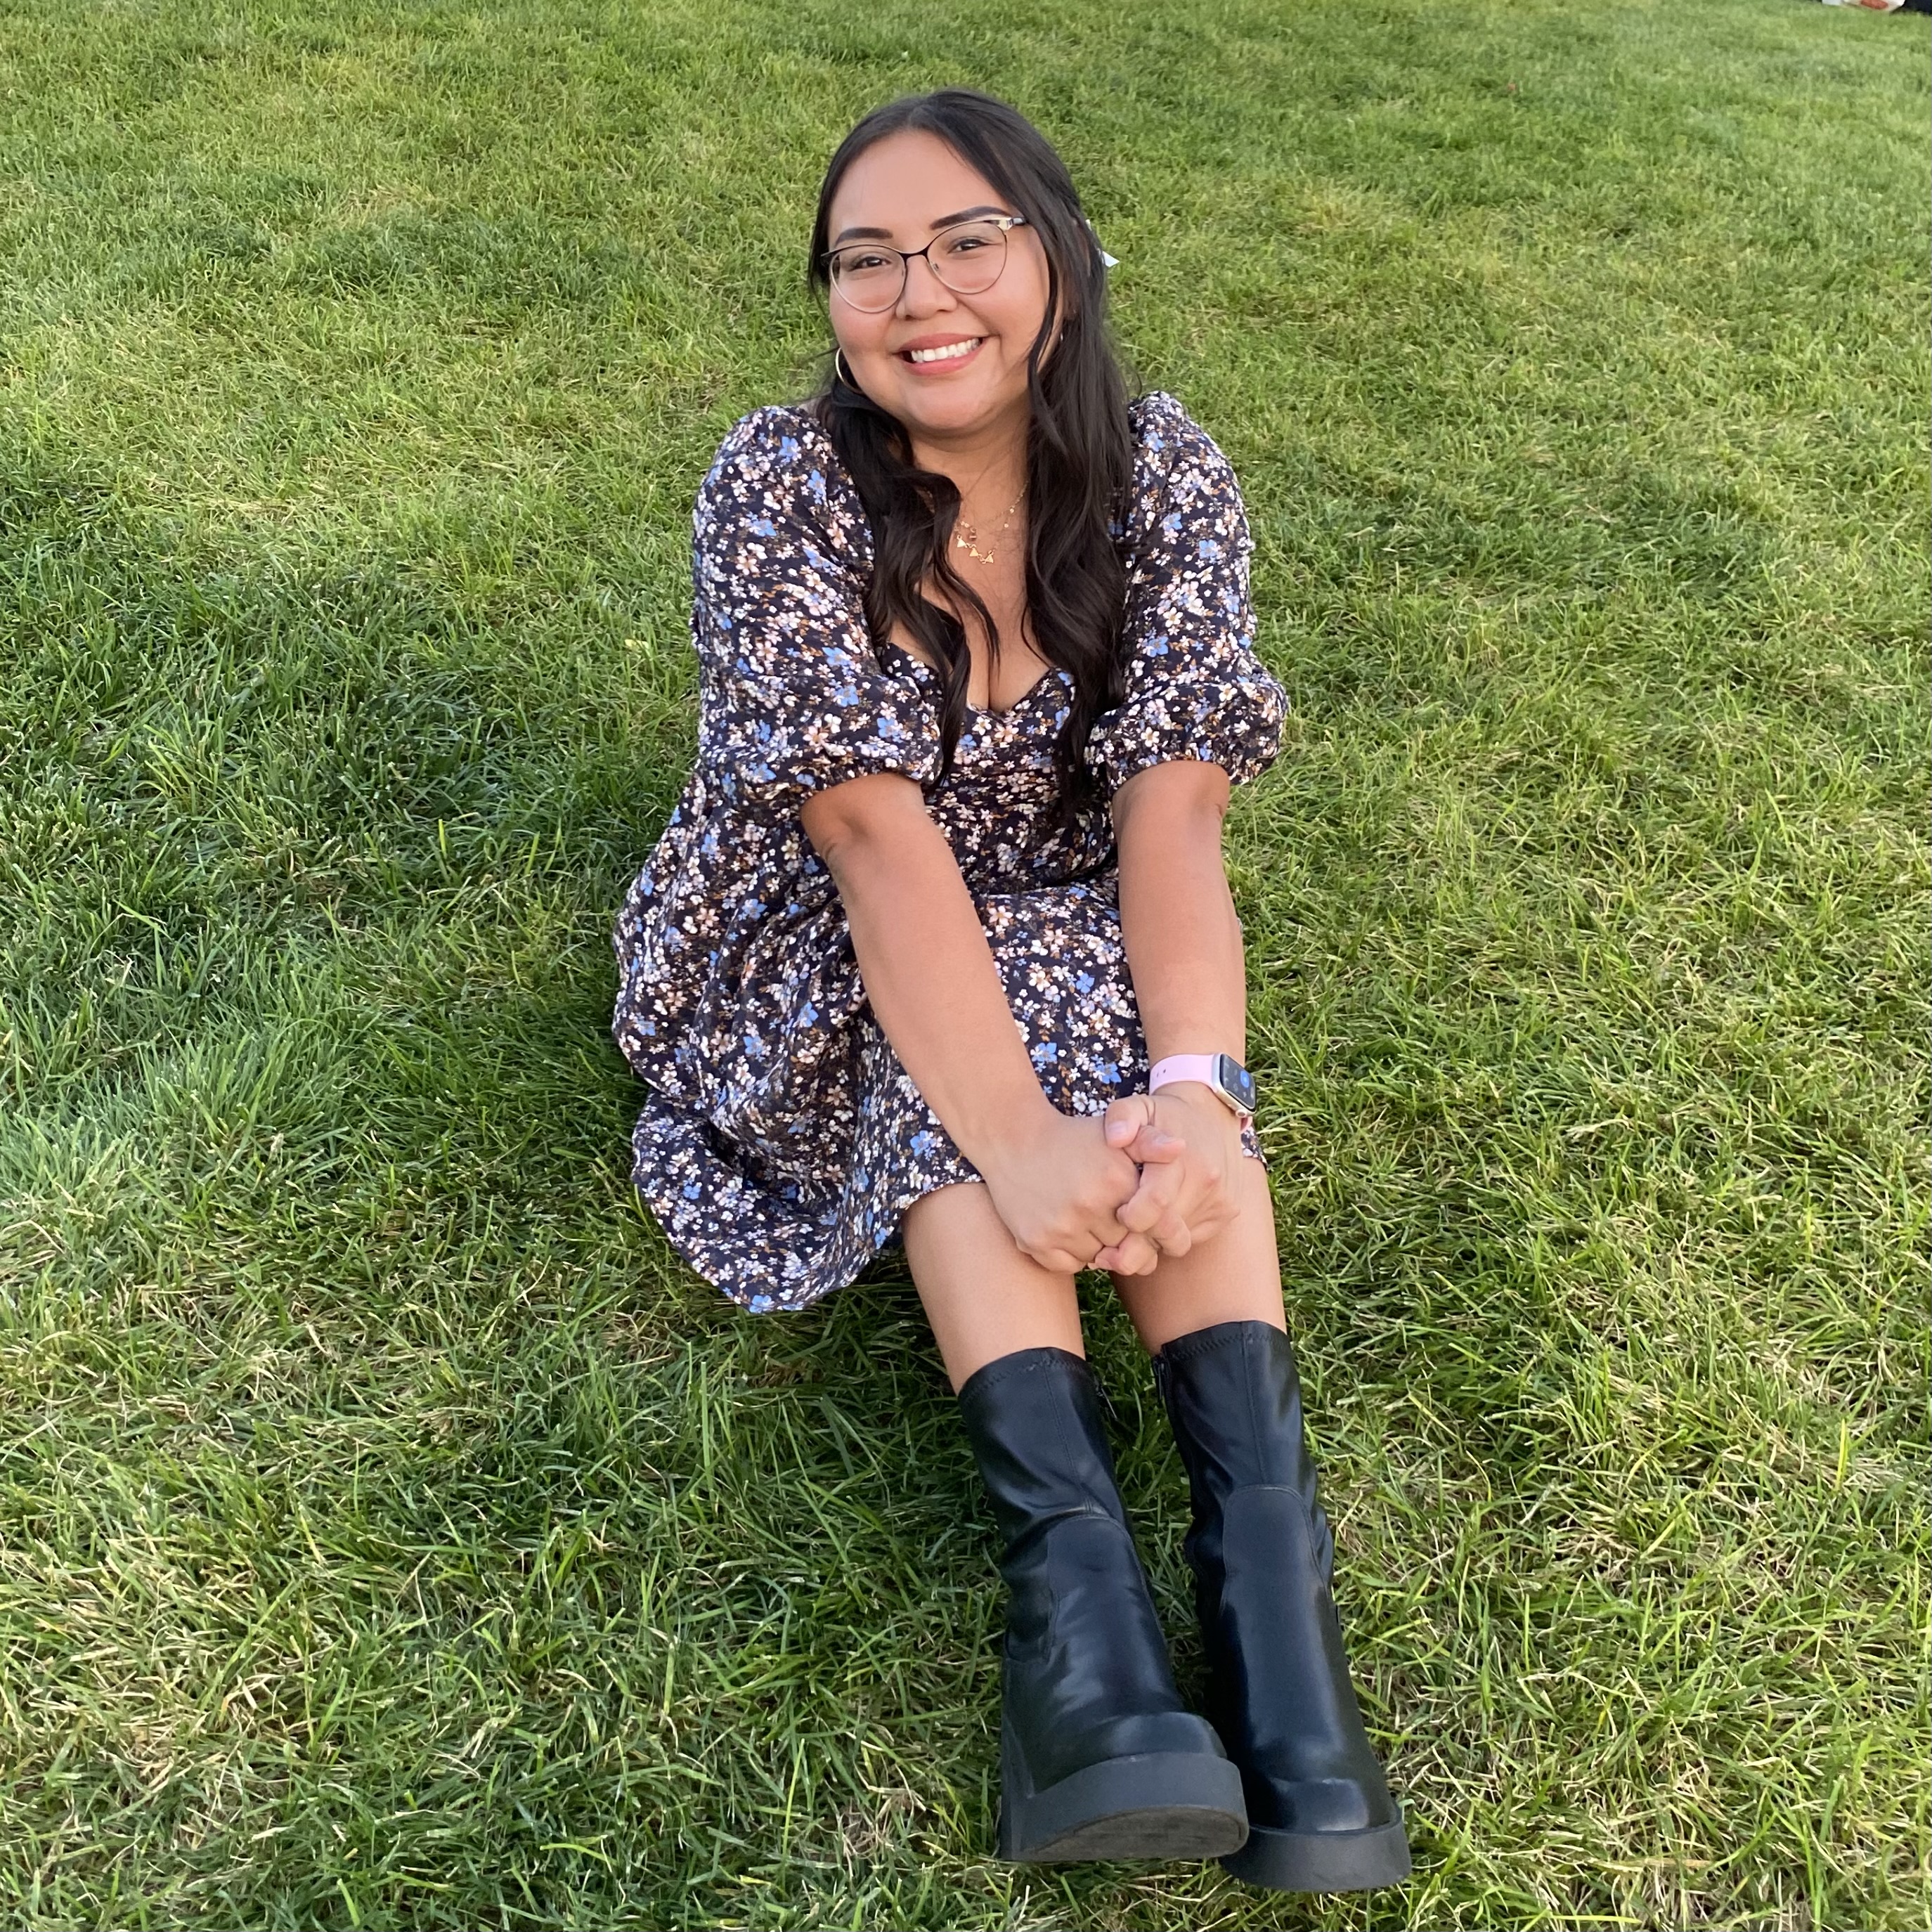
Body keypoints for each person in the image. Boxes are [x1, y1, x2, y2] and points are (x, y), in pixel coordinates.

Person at [611, 88, 1409, 1893]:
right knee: (1010, 984)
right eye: (865, 259)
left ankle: (1246, 1626)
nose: (919, 292)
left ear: (1057, 254)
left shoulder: (1163, 471)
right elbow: (876, 850)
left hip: (1055, 905)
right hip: (797, 931)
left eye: (966, 237)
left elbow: (1175, 809)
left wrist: (1198, 1089)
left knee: (1105, 986)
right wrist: (1022, 1143)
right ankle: (1091, 1609)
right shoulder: (781, 484)